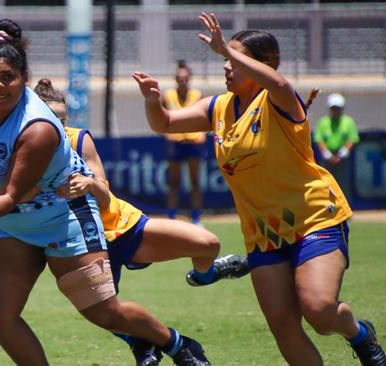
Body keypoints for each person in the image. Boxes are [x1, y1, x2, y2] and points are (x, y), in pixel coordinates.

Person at [0, 19, 210, 366]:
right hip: (12, 222)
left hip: (63, 217)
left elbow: (10, 197)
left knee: (103, 312)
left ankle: (176, 343)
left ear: (24, 77)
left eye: (8, 77)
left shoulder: (38, 127)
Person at [133, 12, 385, 366]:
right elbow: (166, 122)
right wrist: (151, 99)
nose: (226, 67)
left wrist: (229, 51)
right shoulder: (219, 107)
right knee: (284, 328)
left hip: (313, 218)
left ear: (265, 64)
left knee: (320, 311)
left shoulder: (279, 99)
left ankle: (360, 334)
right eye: (224, 59)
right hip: (263, 233)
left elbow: (279, 84)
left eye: (234, 60)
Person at [33, 77, 249, 366]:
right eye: (51, 119)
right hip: (81, 244)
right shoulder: (26, 151)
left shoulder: (77, 138)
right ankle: (144, 342)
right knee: (104, 311)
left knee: (207, 243)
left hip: (122, 226)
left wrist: (89, 184)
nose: (58, 126)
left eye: (62, 119)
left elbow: (106, 198)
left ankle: (205, 275)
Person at [162, 60, 205, 225]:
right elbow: (162, 116)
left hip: (194, 142)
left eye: (185, 78)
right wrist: (166, 134)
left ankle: (196, 217)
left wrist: (201, 134)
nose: (183, 81)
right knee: (174, 181)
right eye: (180, 78)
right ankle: (171, 216)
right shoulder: (168, 95)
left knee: (194, 181)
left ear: (190, 78)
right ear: (175, 79)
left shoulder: (197, 94)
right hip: (176, 142)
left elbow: (203, 117)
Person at [314, 93, 360, 201]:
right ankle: (328, 209)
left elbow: (352, 139)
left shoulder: (348, 122)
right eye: (333, 108)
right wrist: (327, 154)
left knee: (343, 184)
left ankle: (345, 210)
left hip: (342, 158)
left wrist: (341, 154)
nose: (336, 111)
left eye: (338, 108)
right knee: (326, 184)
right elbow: (319, 139)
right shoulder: (323, 123)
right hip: (327, 158)